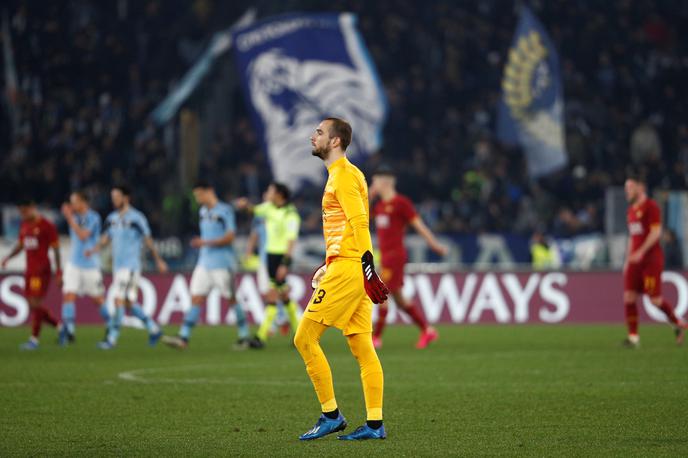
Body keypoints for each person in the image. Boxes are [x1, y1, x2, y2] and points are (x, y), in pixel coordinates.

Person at [294, 117, 389, 441]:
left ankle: (330, 415)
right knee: (362, 346)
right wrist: (329, 261)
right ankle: (375, 424)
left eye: (319, 132)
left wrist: (365, 266)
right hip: (347, 263)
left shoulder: (344, 176)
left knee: (304, 338)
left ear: (335, 141)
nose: (313, 136)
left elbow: (360, 223)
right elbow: (347, 228)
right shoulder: (344, 175)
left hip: (350, 268)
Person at [162, 181, 251, 350]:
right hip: (204, 263)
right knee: (196, 298)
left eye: (199, 195)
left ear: (209, 192)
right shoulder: (203, 211)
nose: (197, 199)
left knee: (231, 299)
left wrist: (205, 242)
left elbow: (230, 237)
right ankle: (183, 337)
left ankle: (244, 336)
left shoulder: (224, 211)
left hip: (223, 264)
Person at [369, 167, 448, 349]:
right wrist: (370, 195)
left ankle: (376, 337)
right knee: (399, 299)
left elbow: (419, 226)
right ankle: (428, 330)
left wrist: (434, 246)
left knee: (381, 294)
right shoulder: (379, 206)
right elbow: (360, 214)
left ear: (385, 182)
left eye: (374, 182)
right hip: (385, 256)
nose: (372, 186)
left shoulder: (401, 203)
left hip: (395, 257)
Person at [87, 185, 167, 349]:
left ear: (126, 198)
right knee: (129, 303)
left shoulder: (137, 218)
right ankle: (154, 329)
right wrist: (94, 249)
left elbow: (148, 239)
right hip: (118, 267)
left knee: (119, 300)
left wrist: (158, 260)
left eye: (117, 196)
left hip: (130, 266)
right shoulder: (112, 218)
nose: (114, 200)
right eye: (112, 197)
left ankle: (112, 339)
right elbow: (106, 238)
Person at [622, 172, 687, 348]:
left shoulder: (651, 207)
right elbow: (632, 237)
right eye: (626, 188)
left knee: (655, 300)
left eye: (630, 187)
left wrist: (641, 252)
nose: (626, 191)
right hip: (635, 260)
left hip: (651, 259)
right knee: (628, 297)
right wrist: (628, 260)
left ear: (640, 187)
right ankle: (633, 337)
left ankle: (678, 323)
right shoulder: (630, 211)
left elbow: (655, 233)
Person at [235, 182, 301, 348]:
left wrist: (285, 264)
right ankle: (301, 334)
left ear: (279, 194)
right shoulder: (268, 208)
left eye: (270, 191)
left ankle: (260, 337)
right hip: (270, 258)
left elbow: (291, 241)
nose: (267, 193)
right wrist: (244, 206)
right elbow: (253, 210)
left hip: (281, 258)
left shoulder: (291, 214)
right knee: (283, 296)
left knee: (273, 296)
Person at [1, 199, 62, 350]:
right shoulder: (25, 225)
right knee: (32, 305)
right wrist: (8, 257)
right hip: (29, 270)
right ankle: (60, 327)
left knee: (35, 304)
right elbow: (21, 245)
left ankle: (34, 339)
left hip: (41, 271)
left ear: (33, 208)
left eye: (25, 212)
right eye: (21, 213)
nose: (23, 215)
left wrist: (59, 271)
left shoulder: (47, 226)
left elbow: (56, 249)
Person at [58, 191, 109, 345]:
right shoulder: (75, 217)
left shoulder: (93, 217)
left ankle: (111, 326)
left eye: (74, 201)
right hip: (73, 263)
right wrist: (70, 218)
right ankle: (69, 331)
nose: (71, 204)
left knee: (98, 300)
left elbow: (83, 235)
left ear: (83, 202)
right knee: (68, 295)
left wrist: (68, 218)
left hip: (90, 265)